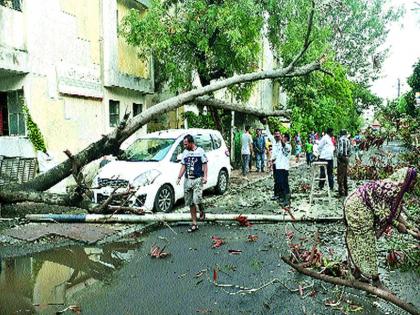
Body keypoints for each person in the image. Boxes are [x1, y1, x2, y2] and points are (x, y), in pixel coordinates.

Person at [344, 167, 418, 288]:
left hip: (360, 203)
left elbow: (395, 212)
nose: (413, 185)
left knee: (361, 241)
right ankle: (375, 280)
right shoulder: (393, 189)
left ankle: (357, 273)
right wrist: (398, 226)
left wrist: (409, 226)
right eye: (413, 182)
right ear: (407, 179)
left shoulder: (396, 187)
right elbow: (384, 214)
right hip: (357, 208)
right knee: (367, 242)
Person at [176, 134, 208, 233]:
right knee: (190, 202)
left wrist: (205, 176)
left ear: (191, 143)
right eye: (184, 144)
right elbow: (183, 166)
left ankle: (202, 210)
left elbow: (205, 164)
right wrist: (179, 177)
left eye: (186, 144)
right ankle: (194, 223)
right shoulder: (185, 153)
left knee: (197, 199)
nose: (184, 146)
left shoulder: (200, 151)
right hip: (187, 179)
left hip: (197, 178)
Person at [272, 133, 292, 206]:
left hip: (284, 168)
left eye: (283, 137)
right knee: (280, 183)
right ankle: (283, 197)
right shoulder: (280, 146)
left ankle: (287, 199)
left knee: (284, 183)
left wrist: (280, 139)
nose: (282, 138)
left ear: (286, 138)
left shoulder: (288, 146)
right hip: (279, 167)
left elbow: (284, 145)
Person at [265, 124, 282, 200]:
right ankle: (276, 194)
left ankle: (281, 194)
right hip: (275, 164)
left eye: (278, 135)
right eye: (276, 135)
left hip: (281, 164)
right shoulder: (273, 141)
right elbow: (268, 133)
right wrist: (266, 124)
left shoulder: (282, 143)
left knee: (281, 179)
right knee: (276, 180)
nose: (277, 137)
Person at [337, 129, 352, 197]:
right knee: (345, 174)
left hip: (341, 158)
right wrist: (347, 156)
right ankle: (346, 191)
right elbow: (350, 151)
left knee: (340, 174)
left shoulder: (340, 139)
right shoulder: (348, 140)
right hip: (346, 158)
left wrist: (338, 157)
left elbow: (340, 151)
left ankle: (341, 191)